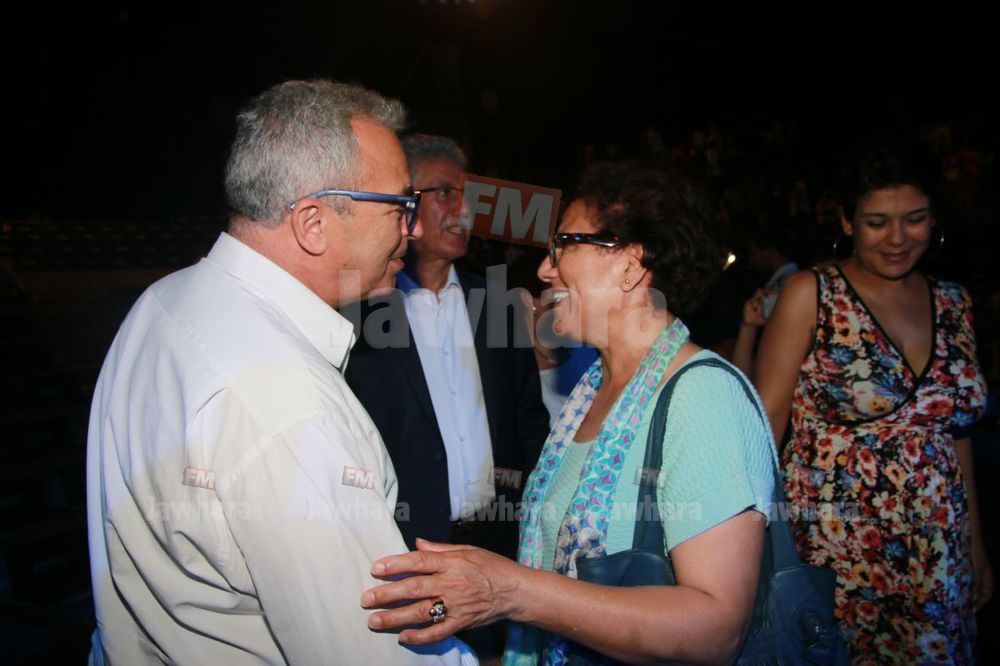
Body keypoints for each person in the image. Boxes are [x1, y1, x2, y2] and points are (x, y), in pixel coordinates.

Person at [86, 80, 472, 665]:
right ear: (313, 223)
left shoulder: (166, 300)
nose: (413, 229)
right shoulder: (287, 401)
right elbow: (374, 651)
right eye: (400, 206)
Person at [361, 161, 779, 664]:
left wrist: (514, 591)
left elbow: (716, 629)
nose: (545, 269)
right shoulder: (591, 391)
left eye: (563, 246)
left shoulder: (703, 395)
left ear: (630, 263)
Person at [751, 139, 991, 663]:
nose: (898, 238)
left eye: (915, 219)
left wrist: (975, 541)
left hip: (937, 547)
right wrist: (752, 540)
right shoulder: (812, 293)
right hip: (836, 545)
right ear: (847, 222)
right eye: (877, 222)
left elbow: (955, 434)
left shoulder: (955, 302)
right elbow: (766, 423)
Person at [344, 134, 549, 560]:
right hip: (404, 550)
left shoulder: (497, 305)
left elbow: (529, 423)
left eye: (468, 197)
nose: (465, 210)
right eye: (444, 193)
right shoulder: (358, 318)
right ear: (405, 205)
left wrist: (527, 516)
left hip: (501, 545)